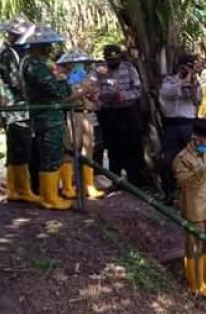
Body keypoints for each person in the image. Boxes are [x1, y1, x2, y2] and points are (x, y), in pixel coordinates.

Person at [21, 25, 87, 210]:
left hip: (51, 115)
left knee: (55, 154)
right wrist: (64, 83)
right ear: (39, 47)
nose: (50, 49)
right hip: (47, 116)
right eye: (47, 46)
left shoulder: (36, 63)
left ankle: (52, 194)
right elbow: (56, 90)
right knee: (50, 155)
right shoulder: (34, 65)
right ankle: (49, 197)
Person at [173, 123, 206, 298]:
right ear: (196, 138)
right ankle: (196, 284)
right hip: (193, 207)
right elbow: (182, 181)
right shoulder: (182, 158)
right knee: (194, 245)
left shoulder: (205, 154)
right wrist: (197, 172)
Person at [0, 16, 39, 204]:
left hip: (23, 106)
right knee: (19, 145)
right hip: (16, 107)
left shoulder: (16, 52)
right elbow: (16, 81)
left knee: (23, 145)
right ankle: (19, 189)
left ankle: (18, 186)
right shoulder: (8, 53)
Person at [56, 49, 105, 200]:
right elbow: (63, 100)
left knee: (87, 151)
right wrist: (82, 91)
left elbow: (96, 102)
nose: (80, 65)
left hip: (87, 115)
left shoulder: (88, 78)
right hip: (72, 115)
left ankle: (88, 185)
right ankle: (67, 186)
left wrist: (93, 94)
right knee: (70, 150)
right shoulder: (61, 79)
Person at [97, 44, 146, 185]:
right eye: (110, 60)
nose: (114, 62)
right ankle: (115, 180)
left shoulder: (129, 68)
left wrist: (125, 95)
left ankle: (135, 180)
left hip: (128, 111)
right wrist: (109, 95)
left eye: (116, 59)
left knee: (133, 146)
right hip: (109, 113)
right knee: (113, 148)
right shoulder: (99, 70)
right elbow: (95, 90)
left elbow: (138, 89)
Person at [160, 55, 201, 204]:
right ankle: (169, 193)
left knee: (191, 159)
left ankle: (191, 193)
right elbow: (166, 94)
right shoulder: (169, 81)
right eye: (186, 67)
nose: (188, 70)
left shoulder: (195, 81)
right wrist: (182, 82)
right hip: (171, 124)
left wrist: (193, 85)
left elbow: (196, 100)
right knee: (167, 160)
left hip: (188, 124)